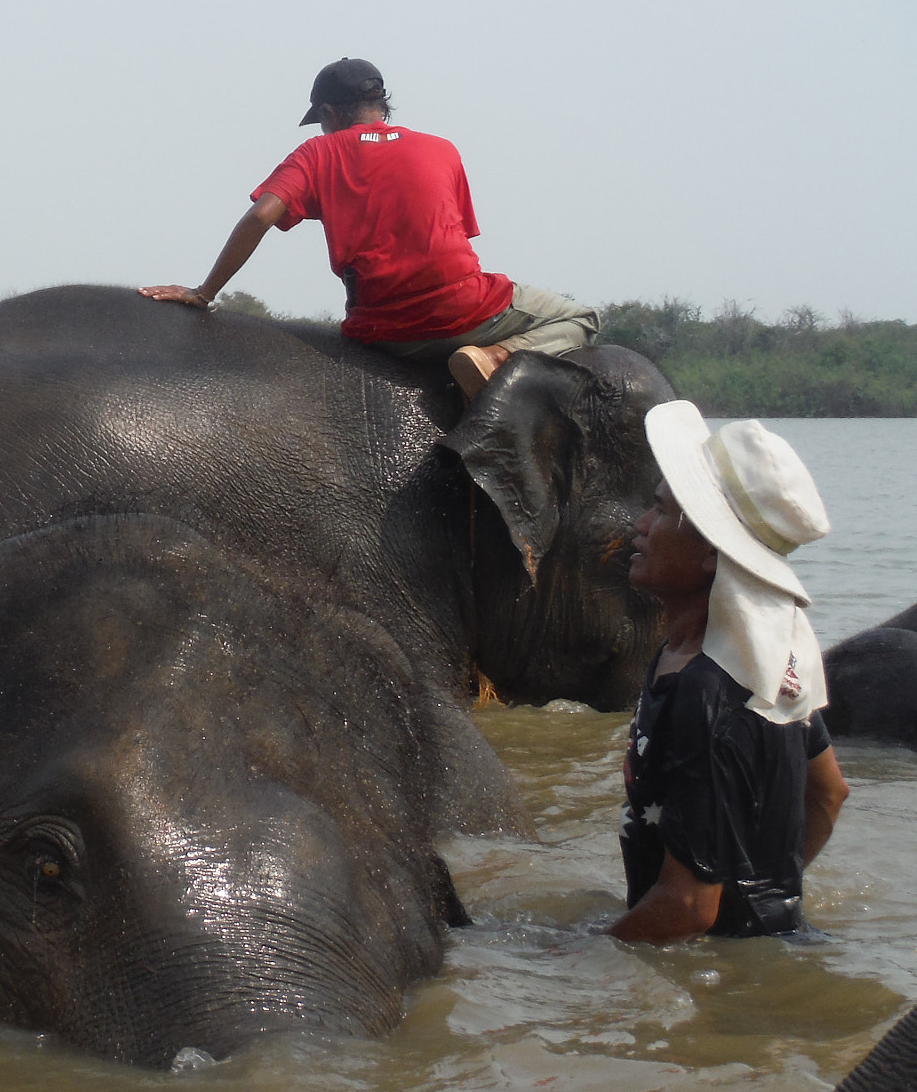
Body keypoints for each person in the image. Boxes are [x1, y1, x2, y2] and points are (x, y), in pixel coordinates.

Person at [141, 57, 600, 399]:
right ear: (380, 105)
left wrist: (205, 292)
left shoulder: (317, 154)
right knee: (582, 317)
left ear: (331, 113)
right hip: (464, 312)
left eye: (320, 121)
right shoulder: (442, 149)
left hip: (381, 330)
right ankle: (495, 357)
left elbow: (261, 215)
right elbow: (453, 238)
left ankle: (487, 358)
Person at [611, 401, 850, 944]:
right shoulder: (770, 655)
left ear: (711, 556)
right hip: (767, 948)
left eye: (658, 511)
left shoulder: (705, 692)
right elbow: (829, 794)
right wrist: (762, 898)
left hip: (708, 966)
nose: (639, 526)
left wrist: (577, 962)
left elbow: (690, 907)